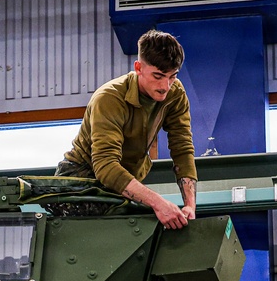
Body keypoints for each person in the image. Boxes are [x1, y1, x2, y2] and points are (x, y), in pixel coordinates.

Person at [55, 29, 197, 229]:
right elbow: (105, 165)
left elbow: (182, 148)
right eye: (158, 76)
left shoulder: (175, 93)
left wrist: (190, 206)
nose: (165, 85)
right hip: (81, 180)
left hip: (123, 178)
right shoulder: (109, 99)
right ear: (138, 67)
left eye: (172, 76)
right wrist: (158, 203)